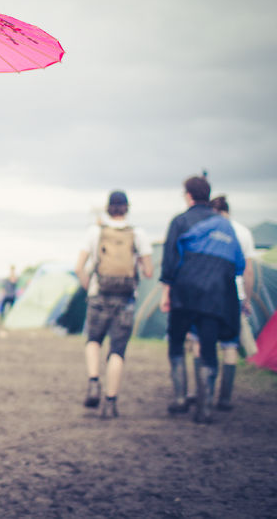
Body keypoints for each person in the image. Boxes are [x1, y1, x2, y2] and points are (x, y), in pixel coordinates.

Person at [159, 176, 245, 424]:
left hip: (184, 293)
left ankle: (180, 398)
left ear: (188, 195)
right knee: (208, 347)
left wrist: (167, 292)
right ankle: (205, 407)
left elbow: (170, 261)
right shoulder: (225, 225)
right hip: (215, 297)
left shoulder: (180, 221)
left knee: (176, 342)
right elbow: (237, 264)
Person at [74, 190, 153, 418]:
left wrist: (89, 286)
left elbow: (79, 266)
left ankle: (93, 382)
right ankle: (110, 401)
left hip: (99, 293)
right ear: (127, 208)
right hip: (126, 297)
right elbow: (148, 272)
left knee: (93, 340)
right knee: (117, 350)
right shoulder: (138, 234)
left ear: (108, 208)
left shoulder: (95, 232)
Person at [184, 194, 255, 411]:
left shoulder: (205, 228)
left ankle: (200, 393)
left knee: (199, 343)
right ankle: (224, 398)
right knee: (230, 346)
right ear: (228, 211)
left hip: (203, 295)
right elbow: (248, 271)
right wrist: (247, 299)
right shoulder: (242, 232)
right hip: (232, 296)